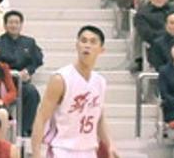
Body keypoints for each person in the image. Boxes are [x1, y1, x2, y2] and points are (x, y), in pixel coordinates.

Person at [31, 25, 118, 158]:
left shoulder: (100, 81)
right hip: (62, 150)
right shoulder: (60, 79)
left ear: (101, 50)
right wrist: (36, 153)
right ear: (76, 45)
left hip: (89, 150)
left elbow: (99, 118)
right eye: (83, 41)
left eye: (93, 42)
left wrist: (110, 144)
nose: (87, 45)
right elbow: (41, 117)